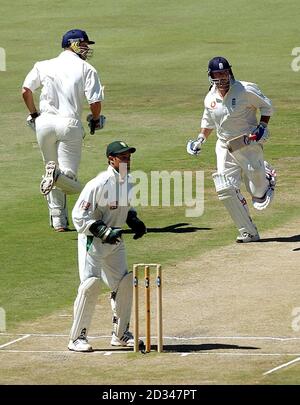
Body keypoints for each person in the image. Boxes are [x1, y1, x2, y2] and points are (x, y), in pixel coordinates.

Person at [22, 29, 105, 231]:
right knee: (66, 177)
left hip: (44, 124)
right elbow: (95, 101)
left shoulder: (43, 65)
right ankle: (93, 196)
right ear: (74, 44)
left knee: (51, 171)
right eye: (84, 44)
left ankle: (58, 220)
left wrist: (34, 115)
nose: (87, 48)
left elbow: (25, 91)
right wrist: (95, 119)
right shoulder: (87, 68)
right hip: (69, 124)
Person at [187, 56, 276, 243]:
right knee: (225, 188)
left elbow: (267, 108)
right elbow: (208, 121)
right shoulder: (210, 97)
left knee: (259, 197)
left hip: (247, 143)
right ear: (210, 75)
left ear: (230, 72)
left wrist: (261, 127)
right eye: (217, 73)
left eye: (224, 72)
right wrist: (200, 139)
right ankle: (248, 231)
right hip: (225, 146)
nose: (222, 77)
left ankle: (266, 178)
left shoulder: (245, 89)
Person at [68, 140, 147, 352]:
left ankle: (121, 334)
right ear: (111, 159)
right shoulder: (99, 183)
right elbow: (79, 215)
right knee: (91, 286)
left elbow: (126, 207)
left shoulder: (128, 181)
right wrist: (104, 231)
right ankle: (77, 338)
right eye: (123, 157)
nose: (127, 160)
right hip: (93, 243)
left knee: (124, 284)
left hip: (116, 242)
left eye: (129, 157)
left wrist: (134, 221)